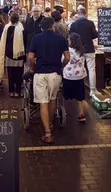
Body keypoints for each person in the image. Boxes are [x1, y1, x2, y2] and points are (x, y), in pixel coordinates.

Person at [29, 16, 70, 144]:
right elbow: (67, 58)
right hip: (55, 74)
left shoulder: (36, 38)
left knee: (43, 103)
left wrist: (32, 67)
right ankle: (51, 124)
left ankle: (47, 133)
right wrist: (61, 67)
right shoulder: (61, 39)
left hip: (40, 74)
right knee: (52, 100)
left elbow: (31, 57)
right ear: (53, 26)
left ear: (41, 27)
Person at [70, 6, 98, 97]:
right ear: (85, 13)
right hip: (89, 49)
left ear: (78, 13)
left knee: (78, 68)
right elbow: (95, 35)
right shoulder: (90, 23)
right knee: (91, 69)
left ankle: (78, 88)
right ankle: (93, 90)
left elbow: (71, 38)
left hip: (78, 50)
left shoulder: (73, 25)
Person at [0, 12, 25, 97]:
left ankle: (11, 91)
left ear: (10, 19)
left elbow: (3, 41)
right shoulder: (21, 28)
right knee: (19, 74)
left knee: (10, 74)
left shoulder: (7, 27)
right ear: (18, 19)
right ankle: (18, 91)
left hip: (9, 54)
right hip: (19, 55)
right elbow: (25, 41)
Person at [63, 33, 87, 122]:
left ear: (71, 41)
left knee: (65, 95)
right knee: (80, 97)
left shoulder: (68, 51)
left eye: (69, 40)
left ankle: (64, 111)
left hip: (68, 75)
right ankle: (81, 113)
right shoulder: (81, 51)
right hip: (80, 76)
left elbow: (63, 59)